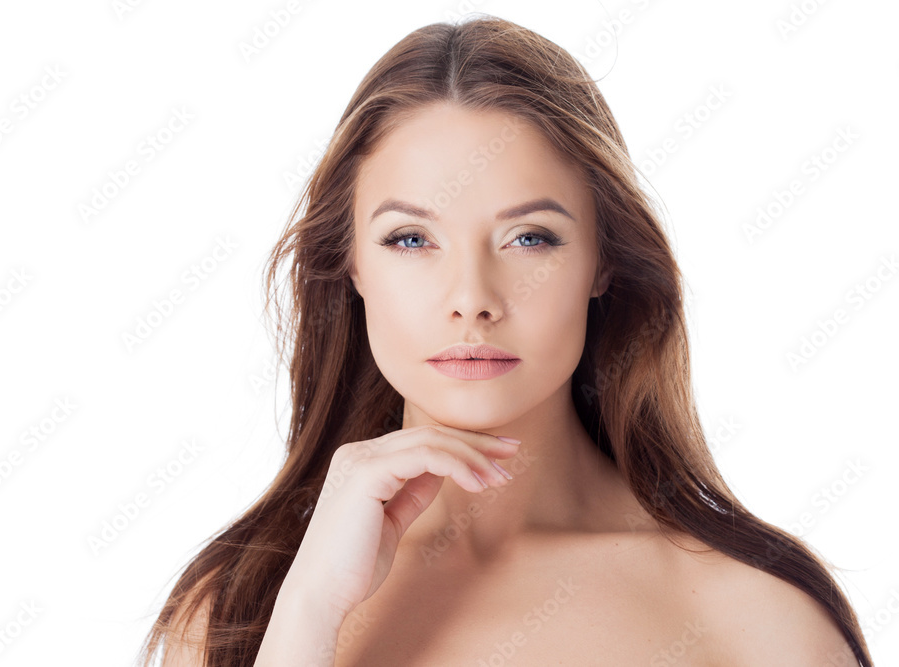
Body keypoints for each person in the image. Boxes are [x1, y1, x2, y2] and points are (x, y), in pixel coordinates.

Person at [137, 14, 873, 666]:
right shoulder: (243, 607)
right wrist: (310, 613)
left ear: (603, 260)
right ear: (351, 265)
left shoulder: (761, 620)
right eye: (411, 238)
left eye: (529, 237)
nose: (472, 301)